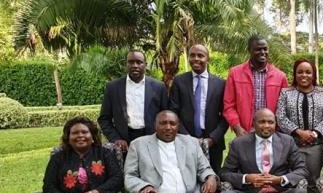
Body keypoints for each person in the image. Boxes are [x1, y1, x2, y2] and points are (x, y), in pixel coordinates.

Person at [276, 58, 323, 193]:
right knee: (292, 181)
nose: (304, 75)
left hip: (315, 146)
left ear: (313, 74)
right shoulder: (286, 93)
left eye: (308, 72)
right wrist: (298, 132)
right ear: (295, 74)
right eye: (300, 71)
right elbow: (280, 116)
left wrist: (315, 133)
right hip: (291, 146)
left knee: (313, 181)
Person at [169, 44, 228, 174]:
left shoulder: (221, 84)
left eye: (200, 55)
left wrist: (212, 139)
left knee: (213, 180)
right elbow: (173, 112)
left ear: (208, 59)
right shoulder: (179, 81)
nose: (196, 59)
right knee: (186, 177)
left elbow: (226, 115)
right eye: (192, 55)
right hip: (184, 141)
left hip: (213, 145)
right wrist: (187, 138)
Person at [98, 50, 168, 153]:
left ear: (145, 65)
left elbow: (165, 115)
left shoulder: (159, 87)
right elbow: (104, 119)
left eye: (139, 62)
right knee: (127, 169)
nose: (135, 65)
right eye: (131, 62)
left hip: (152, 141)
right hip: (124, 143)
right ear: (125, 64)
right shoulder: (113, 87)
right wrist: (116, 139)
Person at [223, 35, 289, 137]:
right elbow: (228, 105)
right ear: (249, 50)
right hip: (245, 132)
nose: (263, 52)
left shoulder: (280, 76)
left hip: (271, 132)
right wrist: (237, 127)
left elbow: (284, 107)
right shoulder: (234, 73)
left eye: (265, 49)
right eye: (258, 49)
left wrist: (277, 128)